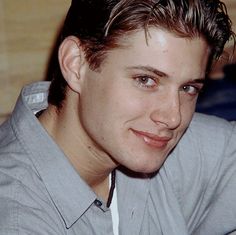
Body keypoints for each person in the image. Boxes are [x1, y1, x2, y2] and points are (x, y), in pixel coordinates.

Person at [0, 0, 236, 234]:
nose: (173, 117)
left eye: (188, 88)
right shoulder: (18, 218)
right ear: (75, 64)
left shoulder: (147, 141)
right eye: (146, 80)